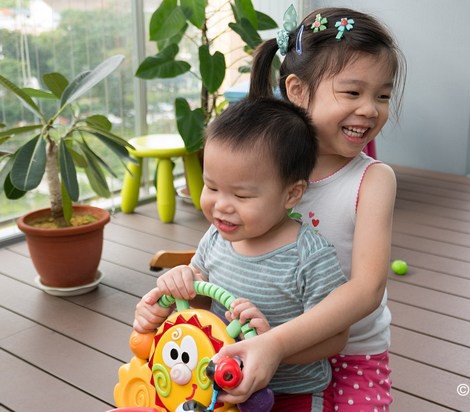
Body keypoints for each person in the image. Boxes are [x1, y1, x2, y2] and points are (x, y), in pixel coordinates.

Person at [216, 6, 407, 412]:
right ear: (298, 91)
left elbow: (367, 288)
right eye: (352, 92)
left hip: (350, 355)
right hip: (255, 343)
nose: (371, 109)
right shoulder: (265, 170)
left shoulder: (372, 181)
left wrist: (276, 343)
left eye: (383, 95)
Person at [134, 97, 349, 411]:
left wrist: (273, 343)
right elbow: (200, 299)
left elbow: (336, 338)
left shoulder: (310, 258)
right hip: (216, 388)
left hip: (293, 394)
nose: (222, 205)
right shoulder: (217, 238)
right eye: (212, 187)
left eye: (241, 194)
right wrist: (182, 283)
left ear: (292, 193)